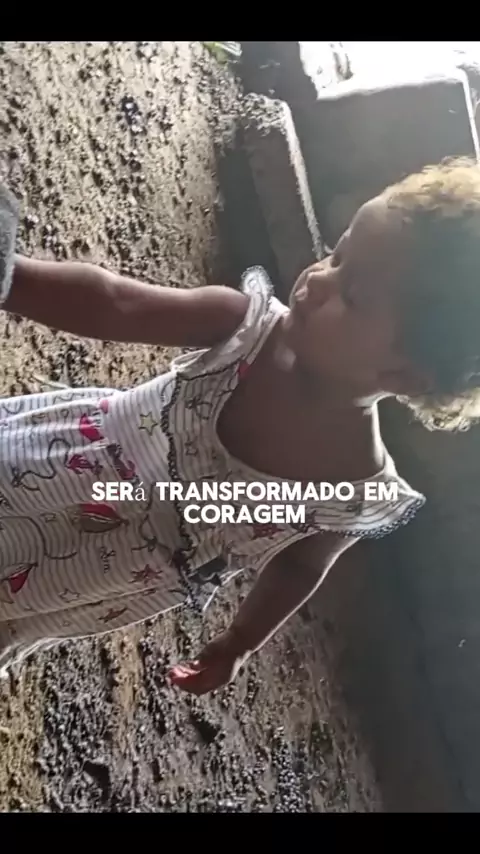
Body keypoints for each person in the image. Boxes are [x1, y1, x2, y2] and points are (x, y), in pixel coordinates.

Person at [0, 157, 479, 695]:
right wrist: (12, 277)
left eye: (353, 295)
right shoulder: (241, 330)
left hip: (82, 575)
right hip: (48, 463)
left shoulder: (349, 493)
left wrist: (239, 642)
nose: (318, 279)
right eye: (337, 253)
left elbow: (299, 568)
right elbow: (115, 303)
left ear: (404, 375)